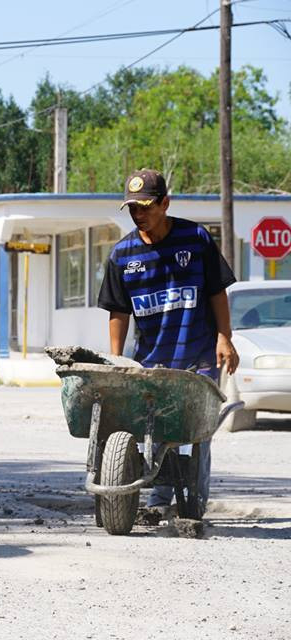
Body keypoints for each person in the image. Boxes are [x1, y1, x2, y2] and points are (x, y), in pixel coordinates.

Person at [97, 169, 239, 517]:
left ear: (165, 203)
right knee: (155, 429)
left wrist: (225, 337)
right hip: (151, 359)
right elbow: (118, 312)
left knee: (196, 432)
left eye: (145, 206)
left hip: (198, 355)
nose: (138, 214)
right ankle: (160, 499)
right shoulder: (123, 256)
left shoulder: (196, 239)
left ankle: (194, 502)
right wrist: (117, 360)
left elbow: (216, 291)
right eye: (132, 208)